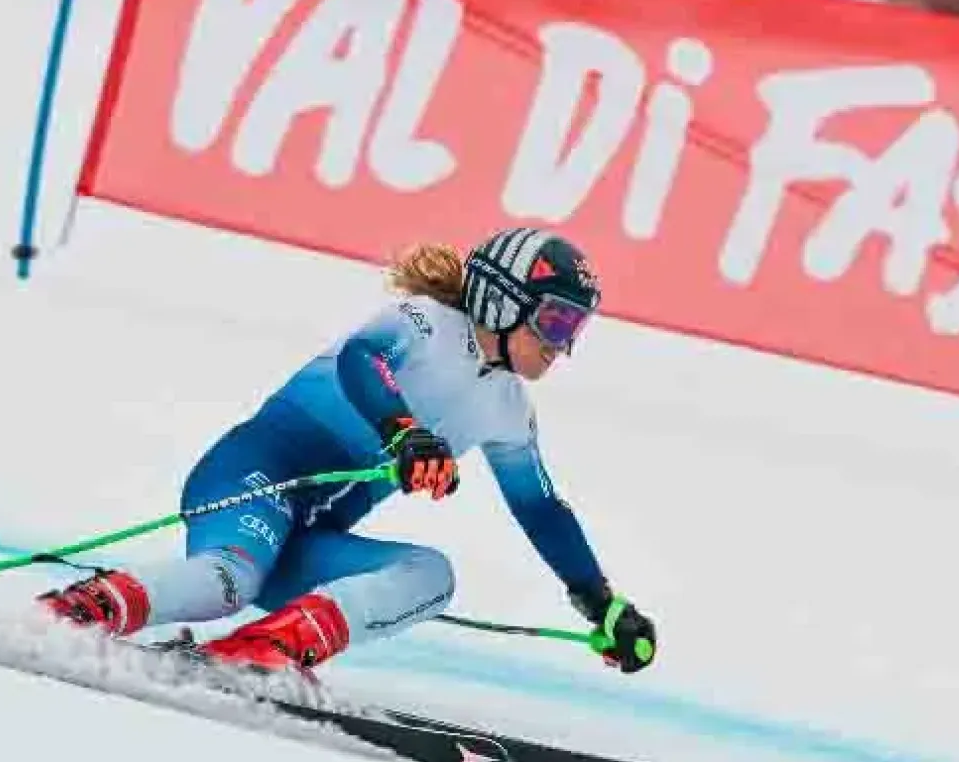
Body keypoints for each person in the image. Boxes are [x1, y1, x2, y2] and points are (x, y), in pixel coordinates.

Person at [36, 226, 658, 677]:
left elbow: (541, 510)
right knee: (227, 581)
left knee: (431, 575)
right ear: (502, 299)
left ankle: (267, 649)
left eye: (574, 330)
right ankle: (80, 609)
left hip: (308, 539)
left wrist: (600, 602)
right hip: (255, 479)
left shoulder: (509, 409)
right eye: (553, 323)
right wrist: (405, 432)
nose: (561, 345)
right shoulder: (424, 322)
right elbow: (364, 362)